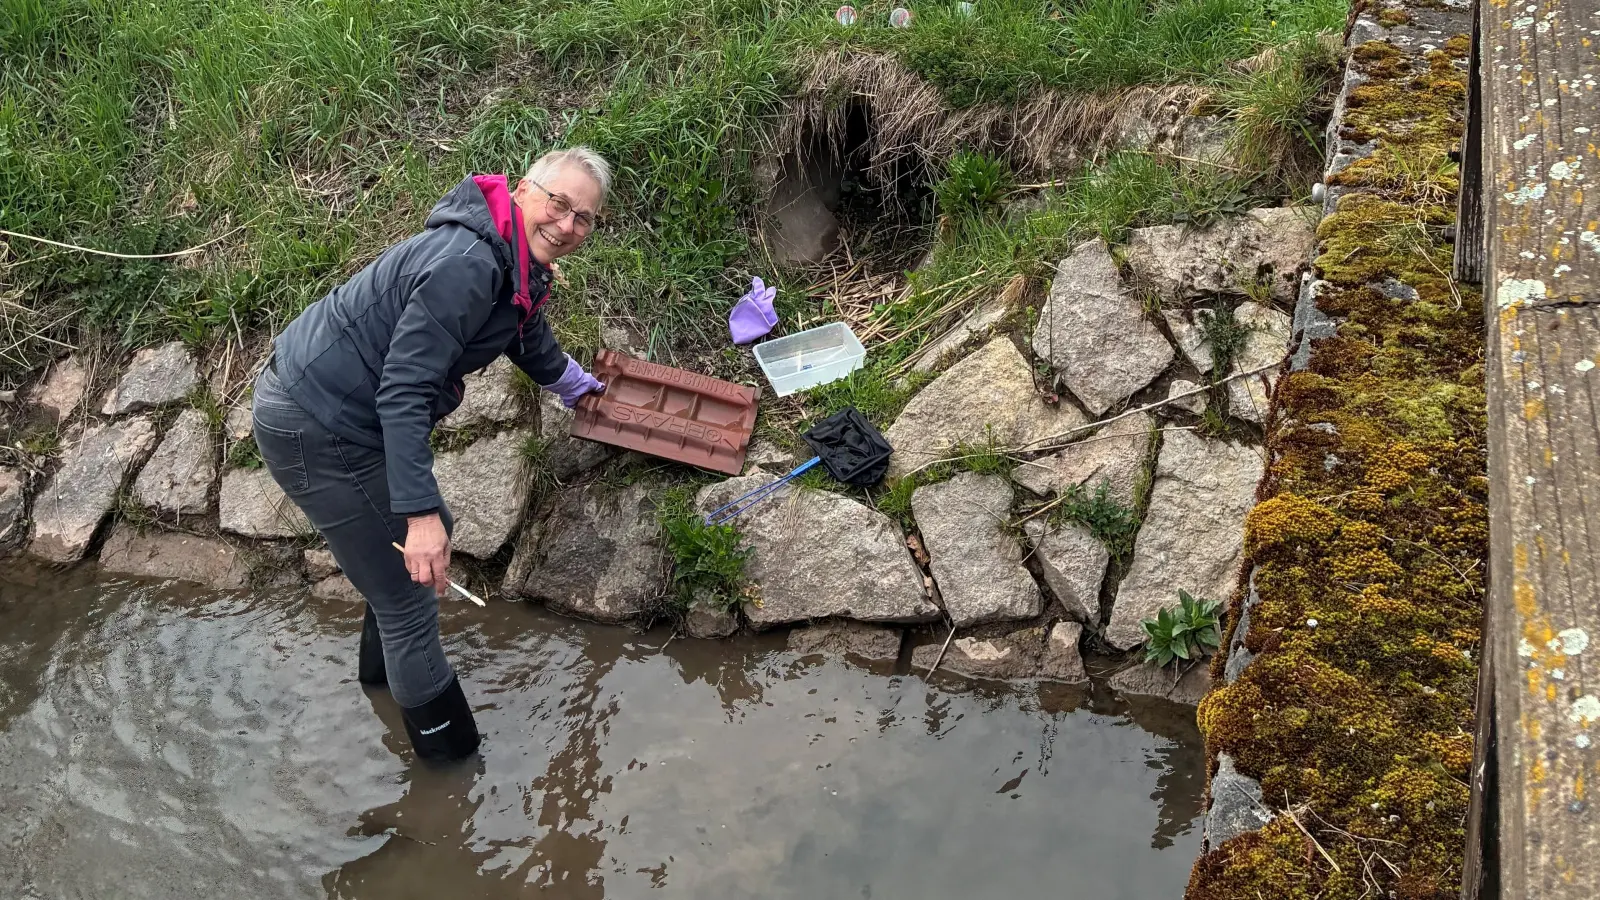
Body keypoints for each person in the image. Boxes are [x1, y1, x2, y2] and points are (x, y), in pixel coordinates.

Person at [250, 148, 611, 762]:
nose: (568, 225)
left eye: (584, 218)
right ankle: (450, 777)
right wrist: (417, 519)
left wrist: (569, 381)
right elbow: (404, 393)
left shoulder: (511, 255)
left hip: (342, 412)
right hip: (317, 422)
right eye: (559, 203)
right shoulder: (466, 265)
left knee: (411, 560)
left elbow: (519, 323)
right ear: (524, 190)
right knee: (412, 594)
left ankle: (382, 683)